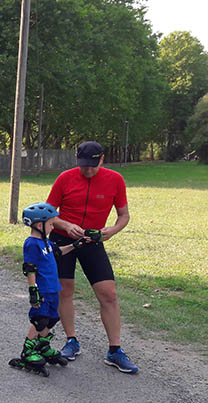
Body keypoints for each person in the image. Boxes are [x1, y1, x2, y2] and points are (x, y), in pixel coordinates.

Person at [46, 141, 137, 374]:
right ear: (77, 159)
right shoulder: (65, 178)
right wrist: (66, 224)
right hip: (62, 239)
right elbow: (48, 213)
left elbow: (124, 215)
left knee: (108, 293)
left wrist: (111, 231)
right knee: (64, 290)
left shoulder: (115, 180)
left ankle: (115, 350)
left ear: (102, 160)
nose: (88, 170)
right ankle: (71, 341)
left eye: (93, 166)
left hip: (93, 240)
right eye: (84, 165)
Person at [9, 202, 90, 376]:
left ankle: (43, 347)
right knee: (40, 319)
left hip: (53, 288)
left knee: (52, 318)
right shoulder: (32, 244)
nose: (53, 227)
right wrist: (33, 290)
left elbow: (58, 252)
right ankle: (28, 351)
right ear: (40, 225)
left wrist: (77, 244)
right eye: (51, 224)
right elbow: (29, 268)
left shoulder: (46, 242)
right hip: (43, 289)